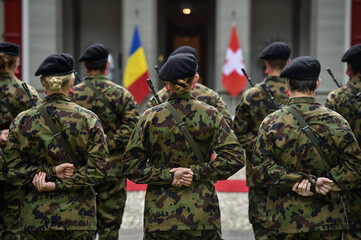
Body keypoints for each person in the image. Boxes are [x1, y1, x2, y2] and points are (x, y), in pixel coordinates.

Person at [122, 53, 245, 240]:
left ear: (166, 84)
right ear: (193, 81)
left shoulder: (150, 117)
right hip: (202, 215)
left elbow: (130, 165)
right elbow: (235, 157)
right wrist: (196, 172)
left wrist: (169, 175)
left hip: (161, 217)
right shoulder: (210, 114)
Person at [251, 56, 361, 239]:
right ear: (317, 83)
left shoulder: (271, 122)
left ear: (287, 84)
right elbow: (355, 167)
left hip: (284, 220)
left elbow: (261, 169)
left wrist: (304, 181)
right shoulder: (336, 121)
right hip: (327, 221)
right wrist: (324, 183)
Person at [4, 53, 109, 240]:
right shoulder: (88, 120)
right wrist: (57, 181)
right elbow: (98, 172)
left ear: (43, 83)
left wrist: (49, 173)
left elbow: (11, 171)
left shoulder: (22, 121)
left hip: (35, 219)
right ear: (72, 81)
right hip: (78, 219)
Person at [71, 43, 139, 240]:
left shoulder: (73, 95)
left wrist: (89, 148)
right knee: (109, 228)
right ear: (107, 66)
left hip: (82, 169)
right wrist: (107, 145)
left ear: (85, 66)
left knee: (83, 225)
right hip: (113, 168)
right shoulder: (122, 94)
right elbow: (133, 128)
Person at [232, 41, 290, 240]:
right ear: (288, 62)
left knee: (262, 225)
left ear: (266, 63)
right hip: (291, 171)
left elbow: (238, 132)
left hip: (260, 172)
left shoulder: (251, 95)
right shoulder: (296, 93)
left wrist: (260, 149)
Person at [0, 42, 41, 240]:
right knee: (13, 226)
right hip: (14, 169)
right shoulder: (26, 92)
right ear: (17, 62)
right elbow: (40, 130)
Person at [325, 43, 361, 240]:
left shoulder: (337, 98)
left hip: (348, 175)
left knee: (349, 230)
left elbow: (328, 140)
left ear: (349, 69)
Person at [146, 46, 233, 126]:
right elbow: (227, 125)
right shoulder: (211, 96)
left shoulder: (158, 97)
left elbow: (144, 126)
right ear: (195, 76)